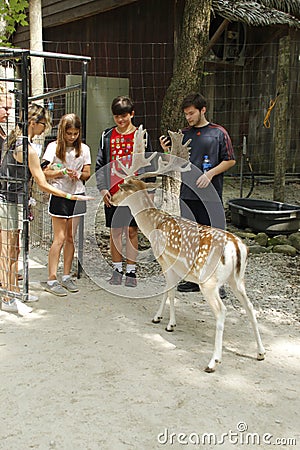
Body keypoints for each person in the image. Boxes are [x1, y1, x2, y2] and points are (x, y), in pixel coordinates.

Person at [0, 104, 91, 316]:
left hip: (15, 199)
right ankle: (9, 296)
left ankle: (15, 292)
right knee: (9, 250)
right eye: (44, 124)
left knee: (13, 249)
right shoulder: (26, 148)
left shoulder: (17, 141)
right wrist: (70, 195)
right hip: (10, 200)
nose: (44, 129)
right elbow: (41, 181)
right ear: (33, 123)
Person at [160, 92, 236, 294]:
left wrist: (210, 174)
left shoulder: (219, 133)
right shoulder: (184, 134)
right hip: (187, 194)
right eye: (186, 114)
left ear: (203, 110)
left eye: (191, 113)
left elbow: (230, 160)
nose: (188, 118)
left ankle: (217, 283)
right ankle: (194, 279)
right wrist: (167, 151)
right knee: (191, 237)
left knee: (213, 238)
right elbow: (175, 163)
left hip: (210, 195)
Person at [95, 96, 153, 287]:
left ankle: (131, 271)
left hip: (134, 193)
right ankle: (117, 269)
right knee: (115, 230)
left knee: (131, 230)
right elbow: (100, 164)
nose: (121, 120)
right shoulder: (106, 136)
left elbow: (150, 165)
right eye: (117, 117)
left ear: (132, 114)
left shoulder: (141, 135)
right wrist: (103, 189)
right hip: (114, 191)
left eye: (124, 116)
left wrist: (149, 194)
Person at [41, 113, 91, 296]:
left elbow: (87, 172)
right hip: (59, 194)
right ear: (62, 131)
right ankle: (51, 278)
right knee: (59, 238)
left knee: (71, 237)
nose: (72, 137)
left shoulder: (84, 149)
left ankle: (66, 276)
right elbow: (44, 171)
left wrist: (79, 175)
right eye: (69, 133)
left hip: (77, 195)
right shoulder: (53, 147)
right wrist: (61, 171)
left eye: (75, 133)